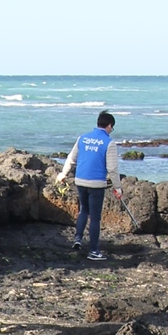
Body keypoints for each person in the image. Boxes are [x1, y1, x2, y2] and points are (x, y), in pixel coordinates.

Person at [59, 111, 122, 262]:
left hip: (80, 180)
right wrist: (118, 187)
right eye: (111, 128)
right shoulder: (109, 143)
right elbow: (112, 169)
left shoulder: (83, 138)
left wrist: (63, 174)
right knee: (95, 218)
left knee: (83, 211)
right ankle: (93, 251)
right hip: (96, 184)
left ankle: (77, 239)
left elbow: (71, 159)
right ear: (109, 126)